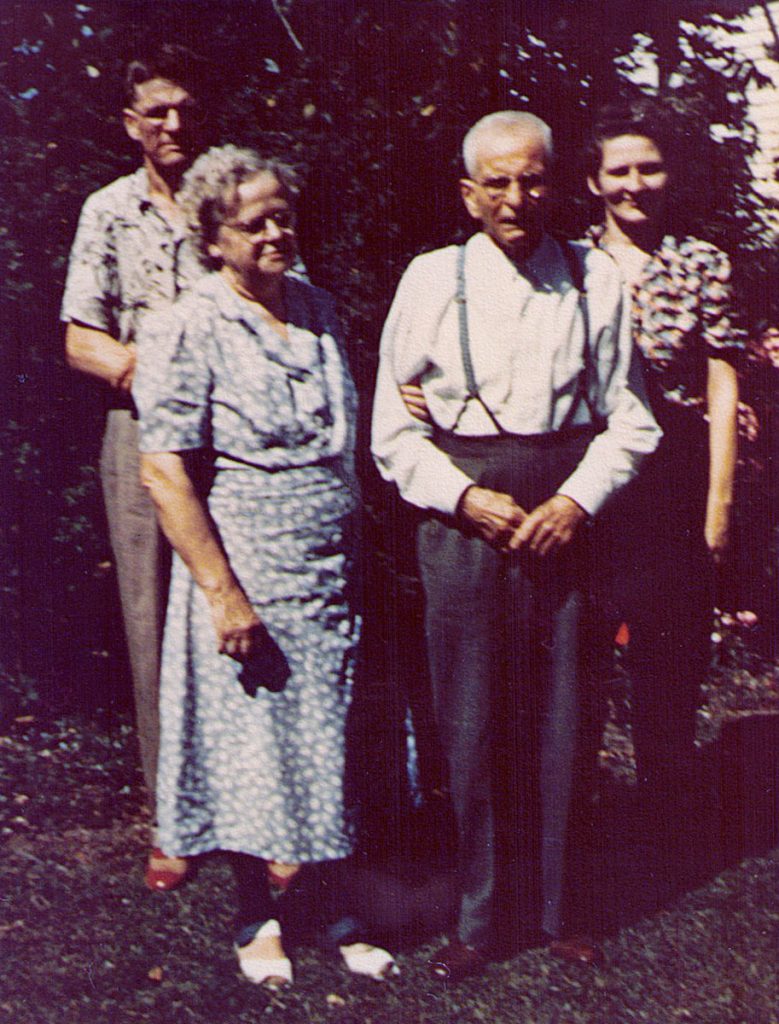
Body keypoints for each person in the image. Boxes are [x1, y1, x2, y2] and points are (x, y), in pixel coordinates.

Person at [372, 111, 660, 982]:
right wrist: (464, 497)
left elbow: (633, 420)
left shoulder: (593, 277)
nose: (515, 197)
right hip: (468, 518)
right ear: (468, 193)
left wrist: (577, 501)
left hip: (565, 509)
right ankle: (479, 917)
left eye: (530, 179)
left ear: (554, 184)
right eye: (495, 182)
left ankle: (561, 907)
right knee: (473, 716)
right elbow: (390, 429)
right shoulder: (431, 280)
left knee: (567, 713)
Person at [133, 145, 398, 987]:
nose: (277, 232)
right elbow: (163, 469)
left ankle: (334, 905)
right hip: (245, 566)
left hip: (331, 569)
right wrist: (223, 595)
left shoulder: (318, 307)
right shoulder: (186, 324)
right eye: (255, 224)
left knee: (333, 736)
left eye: (283, 215)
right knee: (251, 743)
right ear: (214, 238)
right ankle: (257, 916)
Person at [61, 45, 208, 890]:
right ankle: (173, 822)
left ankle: (257, 810)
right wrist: (154, 373)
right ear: (131, 124)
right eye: (157, 112)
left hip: (233, 441)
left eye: (186, 109)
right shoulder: (107, 212)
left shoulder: (232, 196)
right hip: (140, 430)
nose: (174, 125)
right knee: (150, 620)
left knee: (237, 604)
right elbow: (79, 338)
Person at [583, 99, 741, 868]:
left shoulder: (701, 260)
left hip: (675, 470)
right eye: (619, 170)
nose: (634, 183)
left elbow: (719, 383)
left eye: (648, 167)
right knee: (581, 642)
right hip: (588, 469)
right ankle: (579, 810)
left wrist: (717, 502)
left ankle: (665, 809)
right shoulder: (566, 262)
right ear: (593, 181)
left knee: (669, 648)